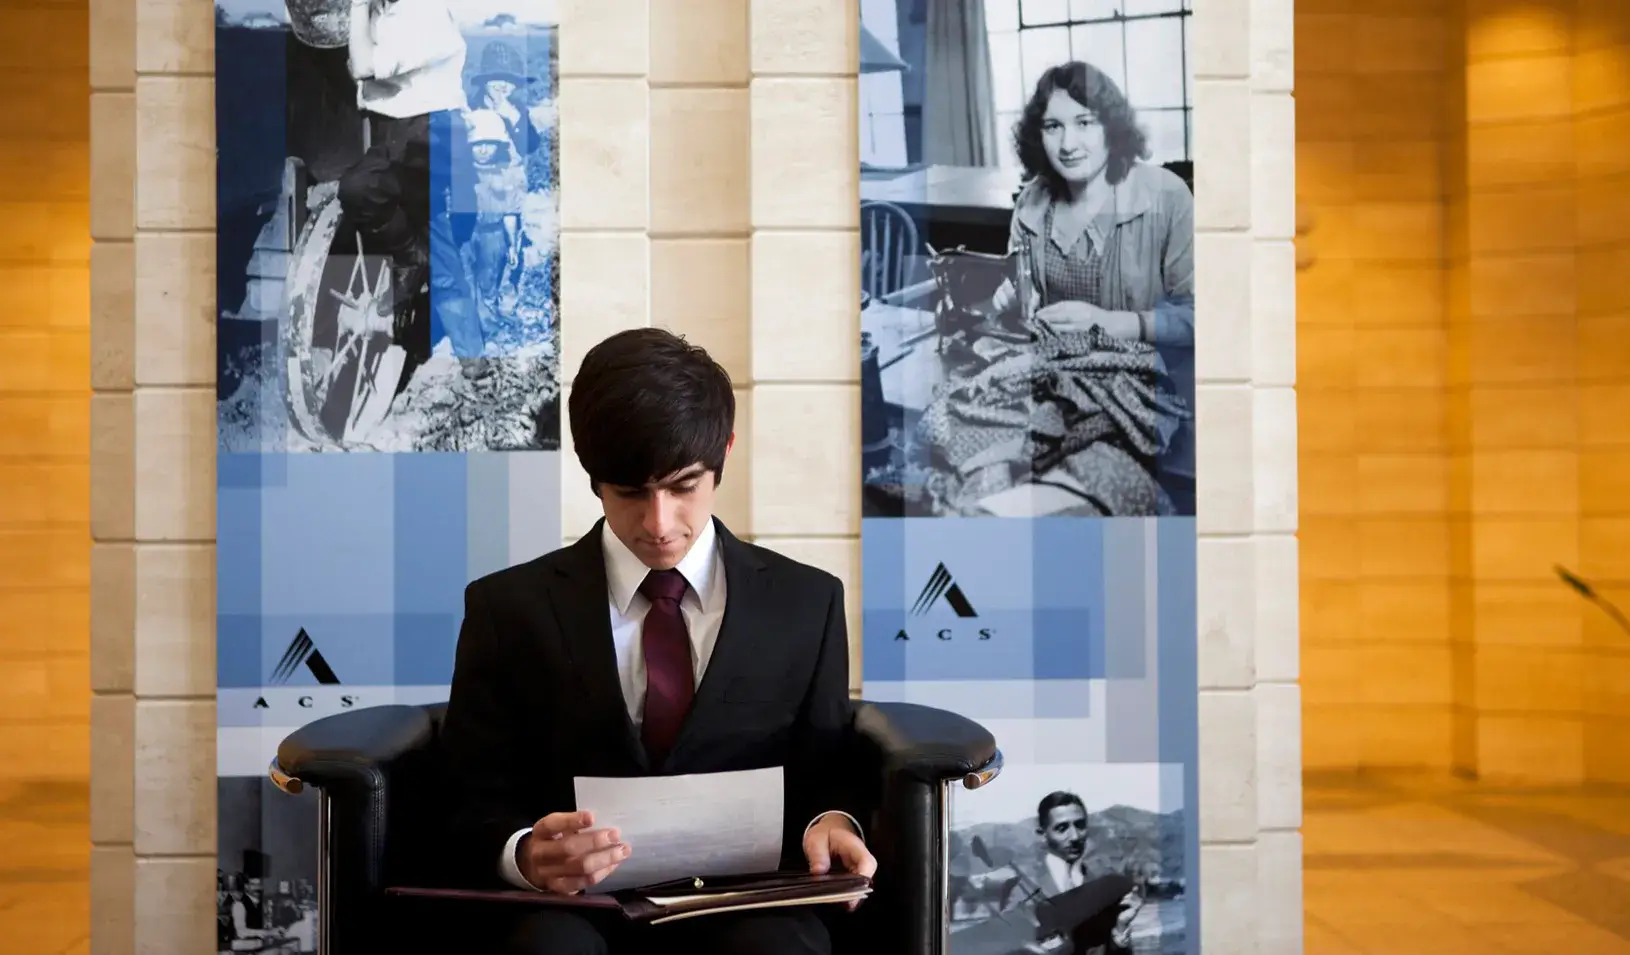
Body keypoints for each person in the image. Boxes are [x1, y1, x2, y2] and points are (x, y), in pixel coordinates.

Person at [439, 328, 877, 955]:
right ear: (593, 475)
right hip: (570, 909)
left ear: (725, 451)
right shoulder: (507, 609)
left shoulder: (807, 602)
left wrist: (831, 822)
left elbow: (829, 771)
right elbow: (467, 794)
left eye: (683, 486)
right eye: (629, 492)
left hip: (749, 901)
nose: (658, 523)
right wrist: (525, 855)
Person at [991, 60, 1196, 514]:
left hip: (1142, 388)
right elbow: (1023, 307)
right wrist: (1009, 302)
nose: (1068, 143)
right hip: (1049, 380)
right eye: (1052, 126)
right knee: (985, 465)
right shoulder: (1032, 203)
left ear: (1112, 126)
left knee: (1074, 491)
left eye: (1085, 122)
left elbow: (1205, 318)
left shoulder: (1167, 197)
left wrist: (1109, 323)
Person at [339, 0, 488, 378]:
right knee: (431, 228)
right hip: (397, 128)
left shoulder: (423, 10)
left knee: (364, 189)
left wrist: (357, 6)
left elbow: (362, 66)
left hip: (429, 128)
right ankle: (470, 349)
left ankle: (409, 258)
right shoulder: (386, 11)